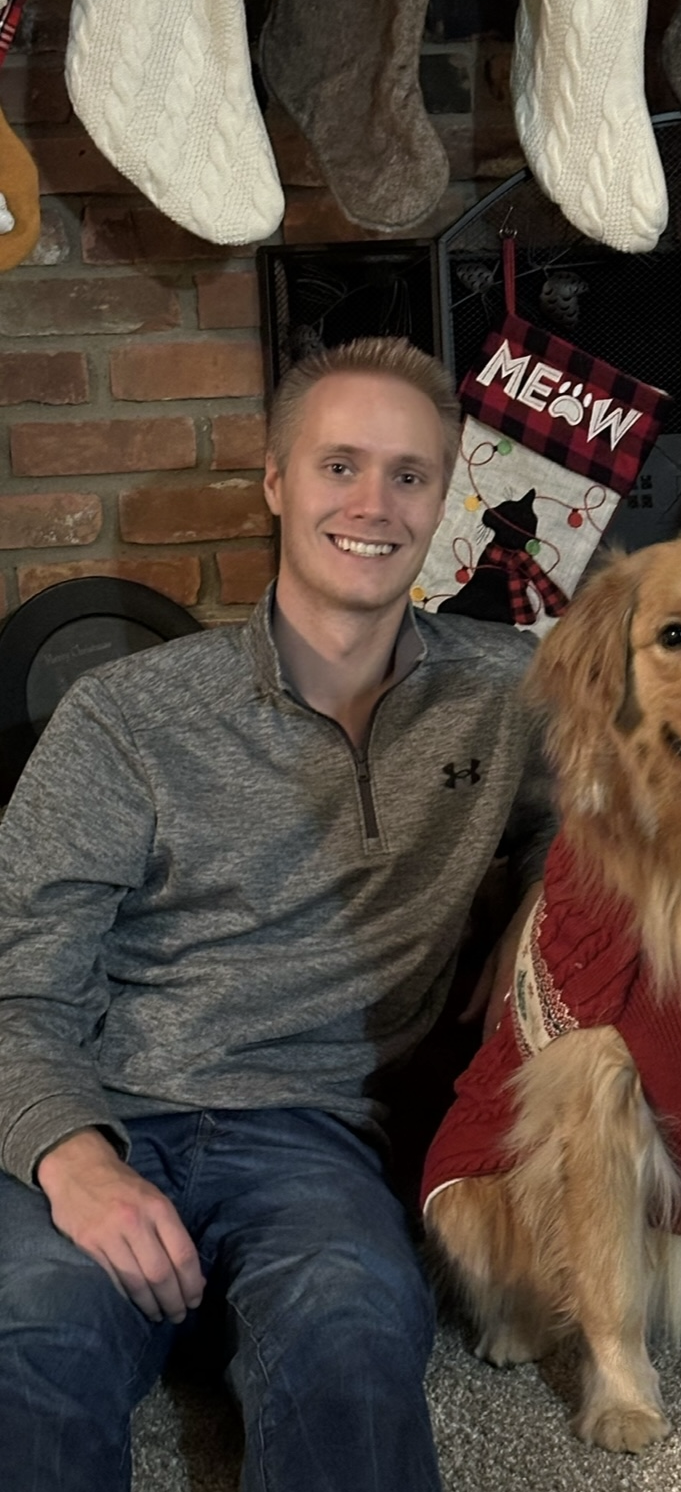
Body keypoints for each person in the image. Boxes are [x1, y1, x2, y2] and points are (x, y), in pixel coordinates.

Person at [0, 335, 553, 1492]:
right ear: (274, 482)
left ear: (444, 497)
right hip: (110, 1111)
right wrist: (69, 1156)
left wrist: (529, 922)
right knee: (35, 1341)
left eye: (409, 474)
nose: (374, 502)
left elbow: (623, 821)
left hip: (315, 1139)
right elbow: (17, 980)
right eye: (338, 465)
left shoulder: (510, 691)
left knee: (355, 1332)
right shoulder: (124, 716)